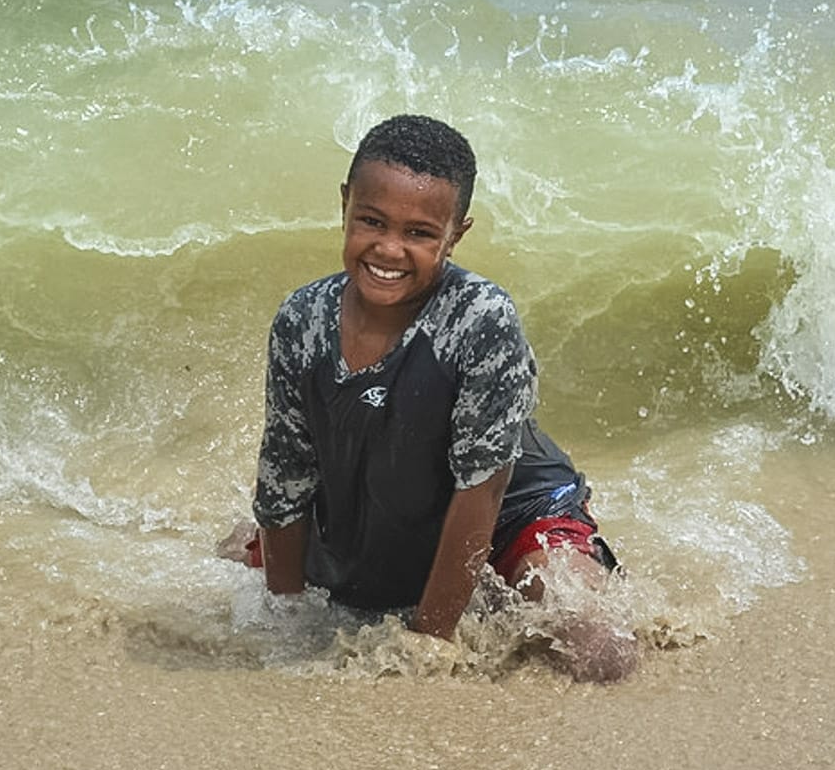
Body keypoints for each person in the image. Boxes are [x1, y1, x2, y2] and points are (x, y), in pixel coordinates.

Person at [234, 113, 636, 682]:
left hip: (509, 516)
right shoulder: (302, 319)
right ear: (345, 203)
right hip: (374, 508)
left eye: (419, 233)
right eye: (371, 221)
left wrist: (429, 642)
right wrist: (285, 619)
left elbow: (484, 490)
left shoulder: (480, 319)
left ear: (456, 234)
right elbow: (285, 476)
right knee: (244, 570)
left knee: (603, 652)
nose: (390, 249)